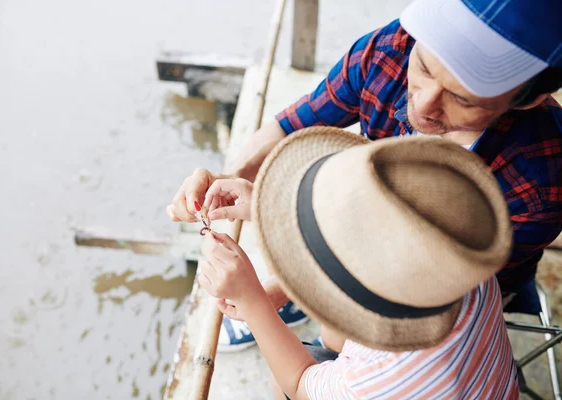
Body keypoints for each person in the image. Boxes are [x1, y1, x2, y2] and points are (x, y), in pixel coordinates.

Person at [168, 0, 562, 351]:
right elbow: (291, 127)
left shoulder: (542, 181)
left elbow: (433, 282)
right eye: (424, 66)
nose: (423, 105)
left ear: (529, 98)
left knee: (334, 347)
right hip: (360, 213)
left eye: (464, 98)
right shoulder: (388, 51)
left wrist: (291, 285)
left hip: (439, 279)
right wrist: (229, 174)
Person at [197, 127, 519, 399]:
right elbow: (364, 239)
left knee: (281, 382)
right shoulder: (451, 255)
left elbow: (297, 384)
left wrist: (253, 303)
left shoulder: (379, 380)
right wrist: (272, 212)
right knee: (331, 334)